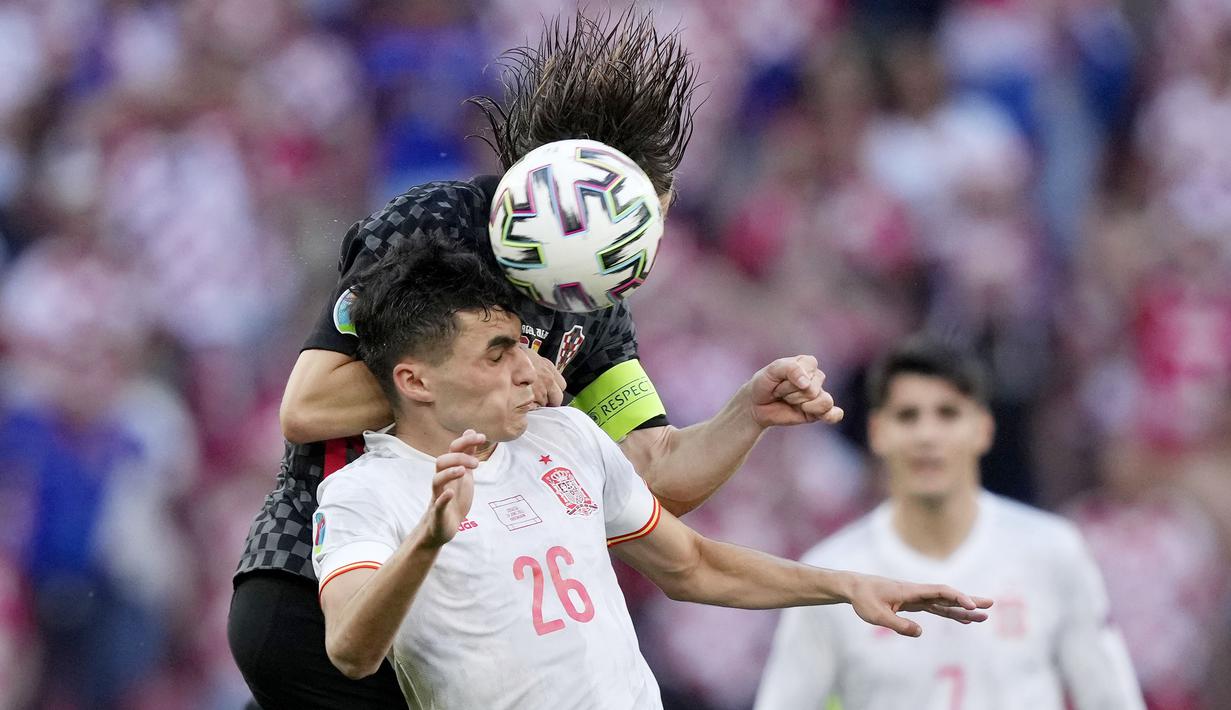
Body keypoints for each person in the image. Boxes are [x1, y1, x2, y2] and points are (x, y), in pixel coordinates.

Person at [229, 10, 844, 708]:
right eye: (645, 213)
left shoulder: (596, 304)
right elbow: (308, 406)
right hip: (320, 589)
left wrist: (744, 416)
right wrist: (497, 374)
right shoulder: (439, 226)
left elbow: (653, 472)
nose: (654, 239)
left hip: (443, 617)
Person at [311, 236, 993, 708]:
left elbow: (692, 565)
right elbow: (350, 651)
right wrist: (426, 542)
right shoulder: (364, 493)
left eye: (521, 344)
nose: (532, 368)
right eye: (496, 356)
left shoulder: (565, 436)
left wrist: (846, 585)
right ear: (415, 381)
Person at [754, 336, 1145, 710]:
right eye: (908, 416)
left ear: (982, 428)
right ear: (878, 432)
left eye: (948, 414)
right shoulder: (830, 576)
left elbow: (1110, 699)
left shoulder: (1052, 551)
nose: (927, 435)